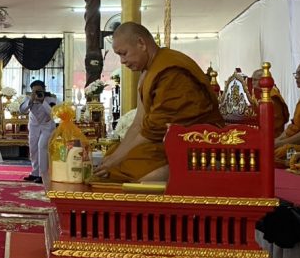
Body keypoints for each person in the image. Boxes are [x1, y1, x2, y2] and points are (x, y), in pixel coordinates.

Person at [94, 23, 223, 182]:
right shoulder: (147, 72)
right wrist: (115, 156)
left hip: (197, 143)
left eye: (124, 53)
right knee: (114, 154)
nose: (122, 61)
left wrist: (117, 159)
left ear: (141, 43)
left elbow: (155, 129)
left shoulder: (171, 72)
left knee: (131, 162)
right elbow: (138, 123)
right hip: (165, 141)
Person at [19, 80, 57, 184]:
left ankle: (42, 175)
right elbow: (22, 110)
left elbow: (53, 113)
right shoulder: (28, 98)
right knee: (33, 149)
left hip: (47, 127)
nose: (37, 93)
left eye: (39, 91)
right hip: (34, 126)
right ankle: (35, 173)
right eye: (34, 91)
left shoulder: (51, 98)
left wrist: (43, 101)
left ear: (44, 90)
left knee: (42, 147)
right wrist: (31, 100)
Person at [250, 68, 290, 137]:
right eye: (252, 80)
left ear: (264, 80)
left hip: (273, 134)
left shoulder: (272, 95)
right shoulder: (261, 93)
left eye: (255, 80)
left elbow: (276, 118)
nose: (252, 82)